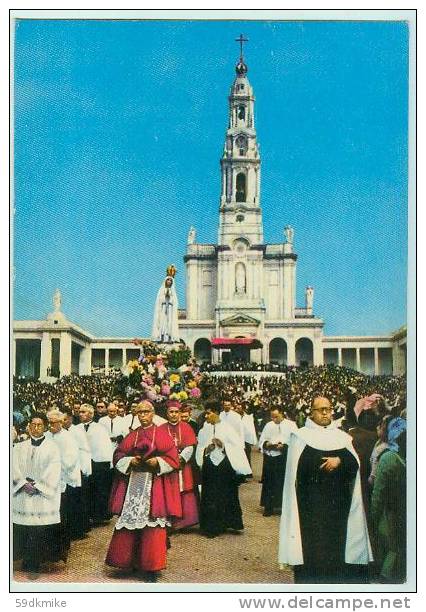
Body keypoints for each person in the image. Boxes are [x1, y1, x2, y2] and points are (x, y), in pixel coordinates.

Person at [278, 396, 372, 583]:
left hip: (338, 506)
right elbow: (295, 471)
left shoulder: (342, 437)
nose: (324, 413)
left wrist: (340, 460)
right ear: (311, 412)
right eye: (320, 409)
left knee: (335, 547)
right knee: (313, 549)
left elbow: (354, 462)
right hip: (310, 507)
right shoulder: (300, 436)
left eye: (328, 409)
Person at [106, 400, 181, 580]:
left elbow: (173, 458)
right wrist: (129, 461)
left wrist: (158, 462)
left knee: (151, 523)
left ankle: (150, 567)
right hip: (134, 484)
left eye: (146, 412)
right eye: (139, 413)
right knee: (132, 521)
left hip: (154, 485)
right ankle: (127, 562)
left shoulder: (161, 434)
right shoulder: (133, 435)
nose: (142, 416)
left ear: (153, 413)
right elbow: (118, 454)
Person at [13, 413, 63, 573]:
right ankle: (25, 559)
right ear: (28, 426)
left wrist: (38, 486)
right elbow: (11, 466)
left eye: (39, 425)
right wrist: (22, 483)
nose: (35, 428)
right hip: (23, 493)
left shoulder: (52, 447)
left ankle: (38, 561)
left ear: (45, 427)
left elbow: (54, 469)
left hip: (41, 495)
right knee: (24, 528)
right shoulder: (19, 446)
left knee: (39, 529)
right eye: (33, 424)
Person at [196, 398, 252, 538]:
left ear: (216, 412)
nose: (206, 416)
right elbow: (200, 446)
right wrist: (206, 449)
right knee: (210, 495)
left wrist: (223, 445)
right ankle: (211, 526)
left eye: (209, 413)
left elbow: (237, 445)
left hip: (224, 465)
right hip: (210, 465)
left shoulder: (227, 428)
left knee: (225, 493)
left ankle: (226, 523)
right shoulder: (205, 429)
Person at [370, 423, 406, 583]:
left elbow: (378, 493)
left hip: (390, 510)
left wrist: (374, 515)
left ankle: (385, 579)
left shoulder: (388, 458)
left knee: (391, 547)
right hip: (403, 510)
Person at [159, 400, 199, 530]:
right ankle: (170, 520)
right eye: (171, 412)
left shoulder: (186, 427)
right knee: (169, 492)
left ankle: (185, 522)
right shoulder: (161, 429)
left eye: (177, 412)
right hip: (168, 465)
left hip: (183, 465)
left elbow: (190, 447)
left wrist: (181, 459)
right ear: (167, 413)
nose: (174, 415)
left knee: (184, 490)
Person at [46, 409, 81, 547]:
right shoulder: (46, 436)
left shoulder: (68, 438)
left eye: (54, 422)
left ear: (61, 422)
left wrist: (54, 467)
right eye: (49, 422)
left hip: (64, 478)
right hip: (48, 478)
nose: (51, 425)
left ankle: (63, 544)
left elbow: (70, 460)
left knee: (63, 513)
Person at [76, 403, 113, 526]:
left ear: (91, 414)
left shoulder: (99, 428)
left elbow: (105, 446)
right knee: (86, 490)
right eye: (80, 412)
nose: (80, 414)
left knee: (98, 490)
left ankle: (99, 515)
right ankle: (88, 516)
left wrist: (106, 462)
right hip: (83, 462)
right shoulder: (76, 428)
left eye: (83, 412)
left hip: (98, 462)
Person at [259, 407, 296, 516]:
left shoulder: (291, 425)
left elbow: (294, 441)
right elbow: (262, 440)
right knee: (269, 482)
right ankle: (268, 507)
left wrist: (284, 446)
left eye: (276, 416)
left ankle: (282, 506)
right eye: (272, 417)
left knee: (282, 481)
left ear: (282, 414)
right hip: (270, 456)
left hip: (283, 457)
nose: (274, 419)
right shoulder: (268, 425)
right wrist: (266, 444)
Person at [62, 408, 92, 537]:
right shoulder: (60, 432)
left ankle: (79, 529)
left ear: (69, 418)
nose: (63, 422)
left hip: (77, 468)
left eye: (64, 419)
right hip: (64, 470)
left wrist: (84, 469)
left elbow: (84, 450)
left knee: (77, 500)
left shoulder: (77, 431)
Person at [151, 271, 180, 343]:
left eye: (170, 280)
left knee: (170, 323)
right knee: (162, 323)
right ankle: (161, 337)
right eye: (168, 280)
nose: (169, 281)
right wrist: (164, 297)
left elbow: (175, 301)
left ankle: (170, 338)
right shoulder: (162, 290)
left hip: (170, 309)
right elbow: (159, 300)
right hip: (163, 308)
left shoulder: (172, 291)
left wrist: (170, 298)